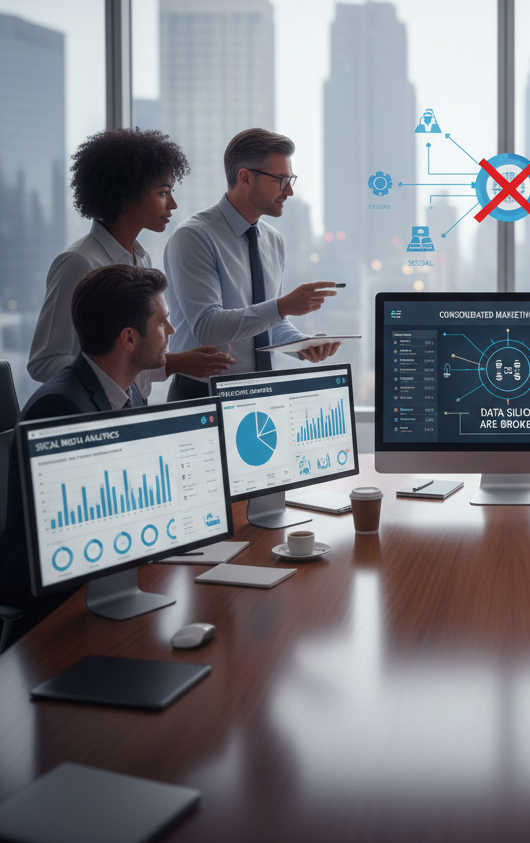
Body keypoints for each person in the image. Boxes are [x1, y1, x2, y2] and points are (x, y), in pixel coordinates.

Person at [1, 266, 174, 644]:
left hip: (112, 584)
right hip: (60, 612)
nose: (172, 332)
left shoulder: (130, 393)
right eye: (162, 322)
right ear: (129, 338)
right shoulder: (60, 407)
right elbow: (73, 535)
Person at [28, 127, 232, 400]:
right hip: (95, 419)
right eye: (163, 193)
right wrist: (172, 363)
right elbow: (44, 361)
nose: (173, 204)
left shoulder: (142, 260)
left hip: (134, 409)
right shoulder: (78, 263)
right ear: (127, 197)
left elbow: (130, 355)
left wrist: (170, 361)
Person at [163, 127, 339, 402]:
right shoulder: (194, 237)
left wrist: (302, 345)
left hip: (261, 397)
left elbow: (270, 324)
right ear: (245, 178)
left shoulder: (273, 240)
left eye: (290, 179)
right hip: (201, 397)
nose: (289, 191)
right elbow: (208, 328)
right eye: (281, 180)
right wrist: (282, 306)